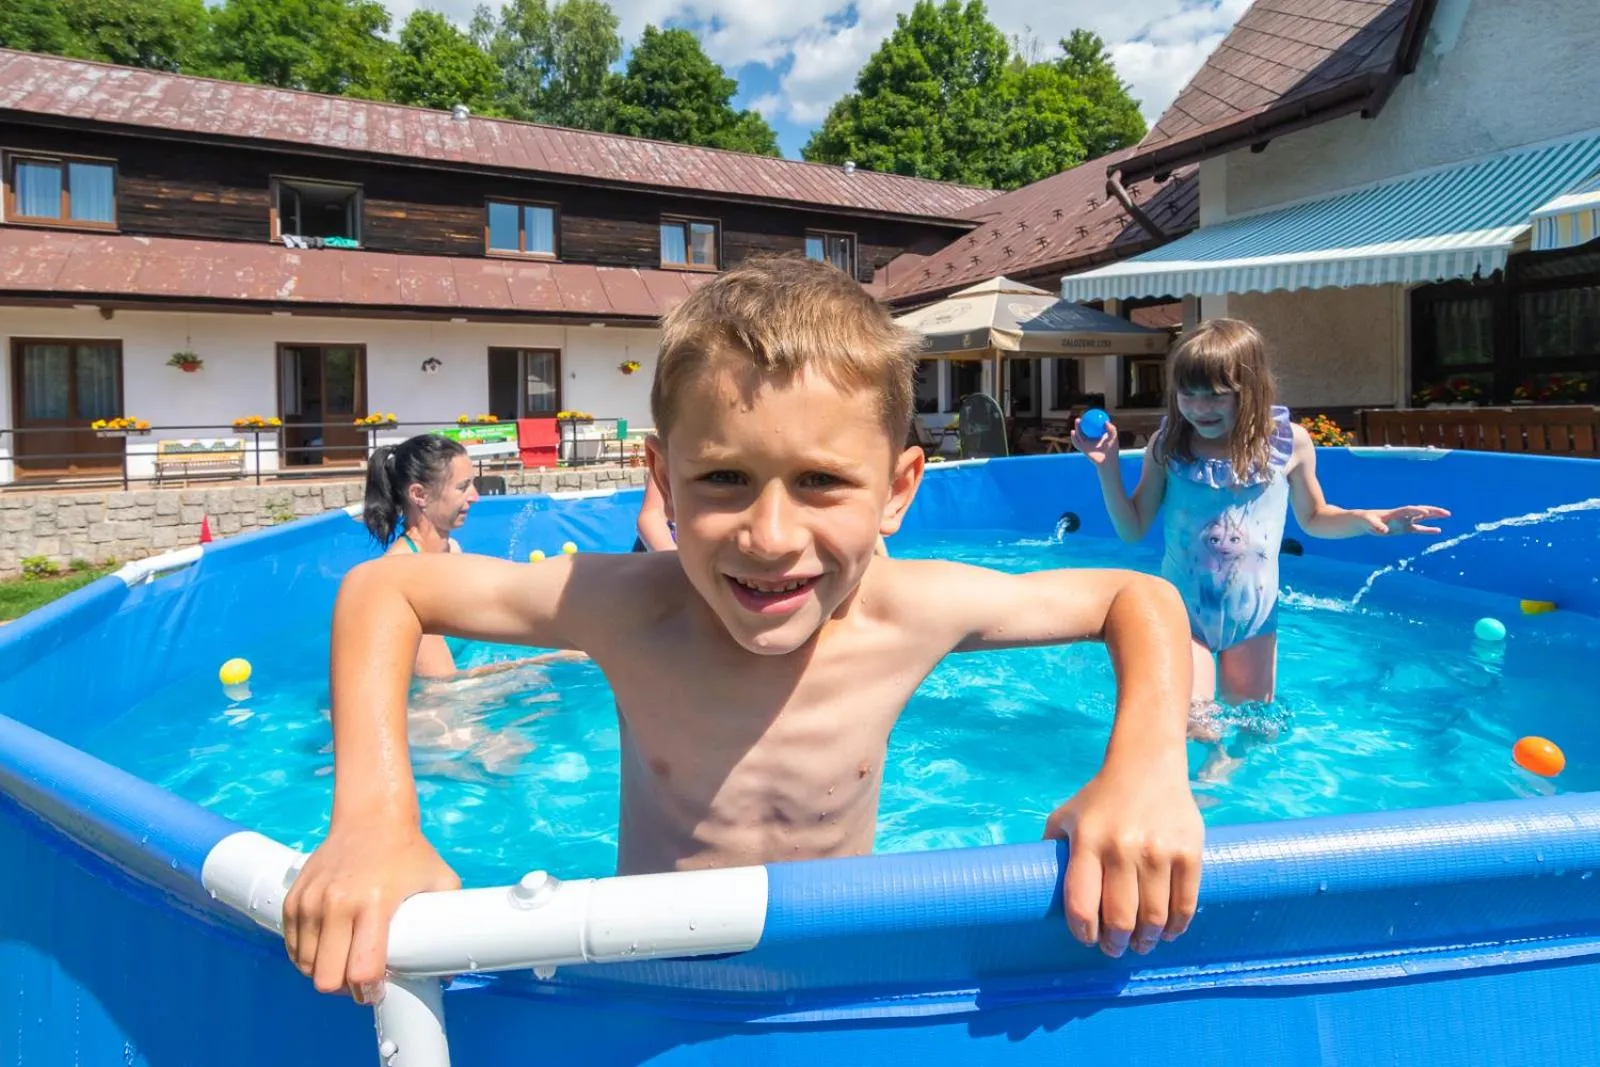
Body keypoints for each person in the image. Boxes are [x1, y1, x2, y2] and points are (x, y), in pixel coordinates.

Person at [284, 255, 1205, 1006]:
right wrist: (374, 817)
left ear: (898, 488)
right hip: (645, 987)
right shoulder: (630, 607)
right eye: (723, 479)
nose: (770, 537)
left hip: (831, 988)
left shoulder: (910, 610)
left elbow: (1136, 600)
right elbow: (383, 592)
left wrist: (1144, 772)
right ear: (664, 478)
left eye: (820, 481)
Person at [1073, 318, 1450, 739]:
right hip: (1183, 612)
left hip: (1252, 617)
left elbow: (1315, 517)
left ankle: (1221, 781)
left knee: (1255, 726)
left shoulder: (1289, 444)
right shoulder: (1169, 448)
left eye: (1216, 396)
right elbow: (1132, 529)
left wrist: (1364, 520)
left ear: (1249, 390)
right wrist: (1107, 470)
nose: (1200, 408)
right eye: (1188, 394)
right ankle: (1198, 783)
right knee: (1195, 722)